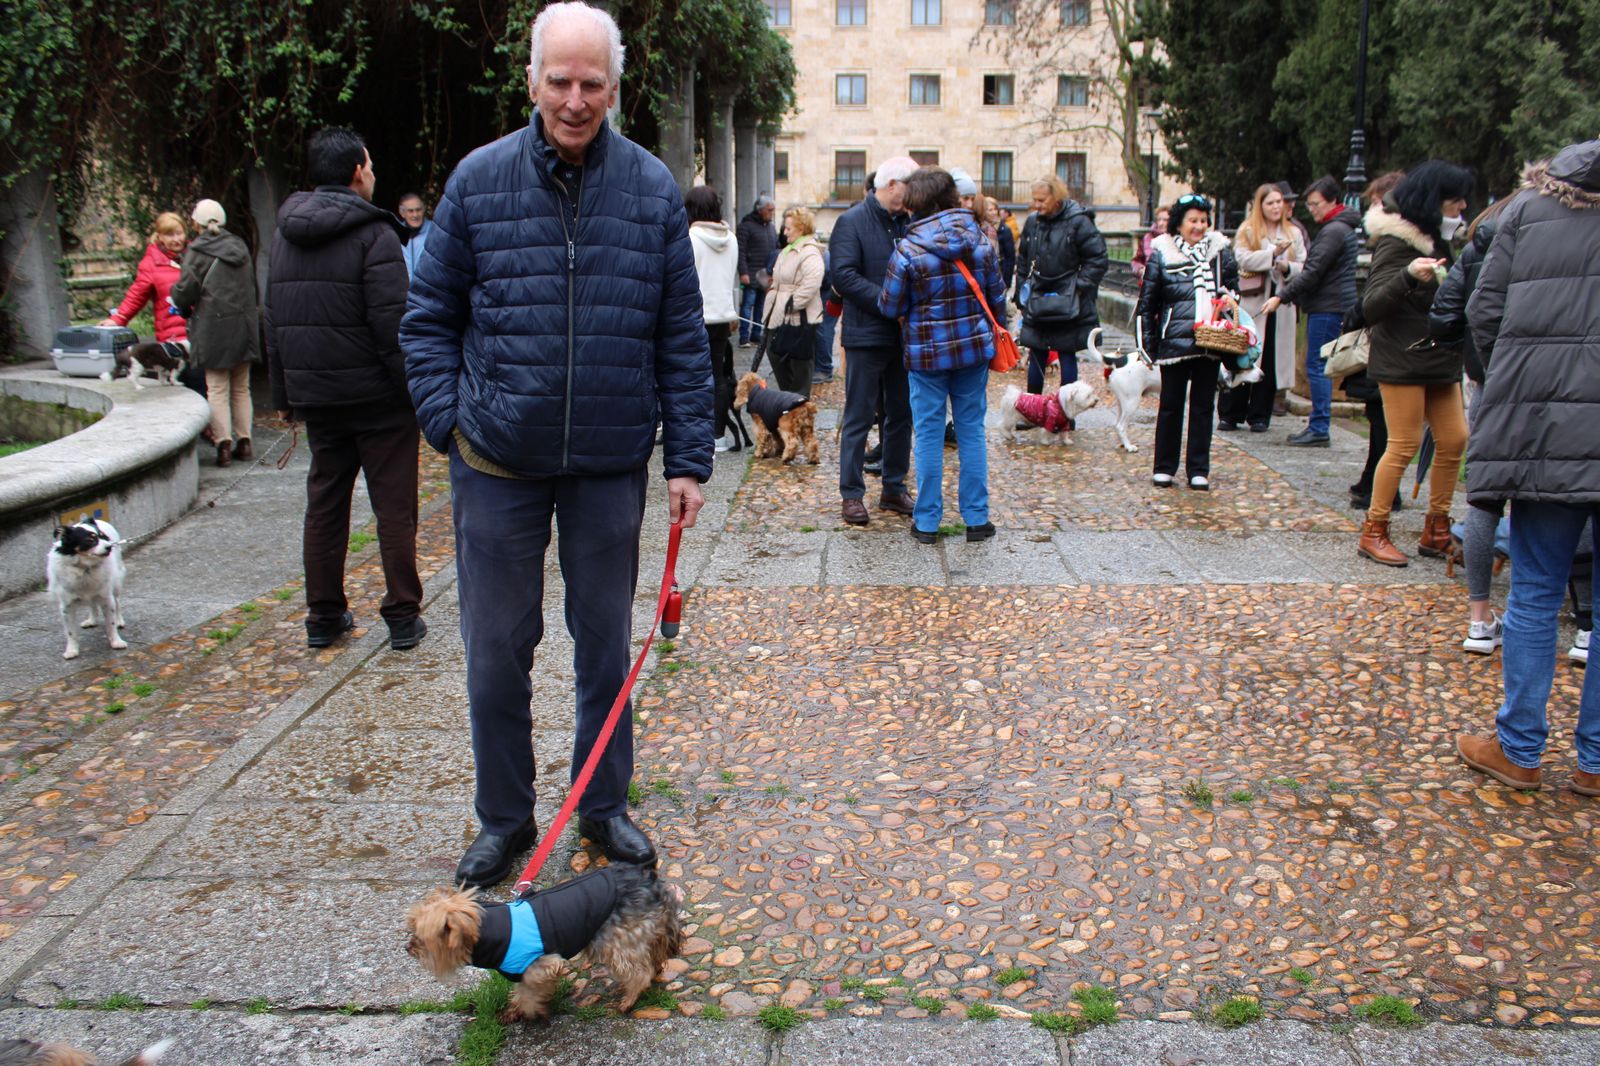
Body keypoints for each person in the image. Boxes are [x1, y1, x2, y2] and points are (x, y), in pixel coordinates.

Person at [401, 1, 713, 886]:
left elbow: (681, 335)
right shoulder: (479, 181)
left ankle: (603, 804)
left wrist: (688, 458)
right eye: (560, 80)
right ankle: (504, 818)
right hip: (496, 459)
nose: (576, 100)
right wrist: (448, 420)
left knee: (604, 649)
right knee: (496, 654)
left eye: (592, 83)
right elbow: (428, 319)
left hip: (608, 461)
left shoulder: (650, 187)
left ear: (615, 87)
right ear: (533, 79)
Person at [1456, 138, 1600, 795]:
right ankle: (1595, 761)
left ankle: (1519, 750)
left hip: (1545, 428)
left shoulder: (1527, 210)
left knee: (1538, 587)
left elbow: (1482, 312)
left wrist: (1520, 379)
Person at [266, 127, 425, 653]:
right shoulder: (374, 233)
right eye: (371, 166)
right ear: (358, 171)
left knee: (325, 505)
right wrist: (414, 391)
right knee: (394, 507)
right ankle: (402, 614)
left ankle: (323, 614)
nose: (373, 174)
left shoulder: (285, 233)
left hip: (318, 398)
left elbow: (274, 318)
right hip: (379, 399)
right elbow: (392, 325)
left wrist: (284, 395)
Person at [1352, 161, 1473, 567]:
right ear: (1434, 201)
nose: (1463, 207)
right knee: (1403, 444)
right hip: (1402, 359)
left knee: (1454, 438)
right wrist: (1407, 275)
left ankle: (1436, 529)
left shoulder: (1441, 238)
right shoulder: (1397, 240)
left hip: (1439, 358)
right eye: (1456, 200)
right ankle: (1374, 529)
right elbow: (1371, 306)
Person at [878, 166, 1006, 544]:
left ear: (916, 203)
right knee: (971, 431)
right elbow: (997, 299)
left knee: (929, 435)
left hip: (926, 355)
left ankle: (927, 521)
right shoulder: (979, 239)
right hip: (973, 352)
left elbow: (889, 305)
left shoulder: (909, 248)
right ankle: (977, 519)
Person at [1427, 193, 1516, 652]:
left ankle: (1479, 619)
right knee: (1564, 495)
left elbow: (1448, 316)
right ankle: (1582, 625)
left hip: (1488, 382)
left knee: (1484, 497)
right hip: (1561, 384)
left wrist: (1483, 358)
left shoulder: (1485, 237)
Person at [831, 154, 919, 526]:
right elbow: (843, 276)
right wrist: (889, 303)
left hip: (904, 336)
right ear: (892, 185)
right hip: (866, 335)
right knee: (859, 415)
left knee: (900, 415)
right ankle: (851, 494)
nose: (914, 194)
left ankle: (893, 488)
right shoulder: (851, 221)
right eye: (910, 186)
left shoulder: (912, 222)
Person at [1136, 193, 1240, 491]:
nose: (1199, 226)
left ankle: (1198, 468)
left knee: (1203, 407)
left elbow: (1233, 290)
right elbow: (1148, 303)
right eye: (1193, 220)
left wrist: (1229, 299)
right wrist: (1147, 346)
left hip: (1210, 340)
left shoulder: (1220, 254)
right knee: (1170, 405)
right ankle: (1164, 467)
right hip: (1174, 341)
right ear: (1179, 224)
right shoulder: (1162, 254)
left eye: (1204, 220)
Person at [1262, 175, 1359, 447]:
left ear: (1332, 201)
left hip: (1328, 305)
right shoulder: (1339, 228)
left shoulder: (1334, 231)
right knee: (1319, 364)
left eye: (1316, 204)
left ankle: (1319, 426)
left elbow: (1312, 272)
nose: (1312, 210)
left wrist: (1281, 297)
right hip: (1331, 303)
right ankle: (1319, 424)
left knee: (1317, 365)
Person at [170, 199, 259, 467]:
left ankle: (223, 445)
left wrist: (178, 298)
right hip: (243, 325)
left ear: (196, 223)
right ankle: (245, 442)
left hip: (213, 328)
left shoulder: (197, 250)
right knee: (241, 388)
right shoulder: (239, 246)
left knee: (217, 389)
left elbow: (184, 292)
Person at [1340, 170, 1405, 509]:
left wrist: (1357, 313)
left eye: (1378, 203)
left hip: (1391, 343)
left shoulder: (1398, 242)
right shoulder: (1387, 240)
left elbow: (1379, 295)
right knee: (1377, 415)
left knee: (1386, 421)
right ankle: (1372, 478)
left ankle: (1385, 491)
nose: (1372, 210)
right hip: (1383, 340)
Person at [1220, 183, 1304, 432]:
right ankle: (1230, 412)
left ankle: (1259, 414)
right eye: (1270, 203)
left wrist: (1287, 267)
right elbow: (1241, 258)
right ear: (1261, 206)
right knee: (1243, 351)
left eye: (1279, 202)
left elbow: (1303, 265)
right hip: (1253, 301)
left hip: (1280, 302)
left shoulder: (1293, 232)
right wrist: (1271, 255)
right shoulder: (1248, 230)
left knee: (1270, 358)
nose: (1276, 207)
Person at [1015, 174, 1108, 398]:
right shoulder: (1033, 222)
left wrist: (1078, 288)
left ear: (1056, 197)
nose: (1036, 205)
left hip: (1068, 300)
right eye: (1034, 200)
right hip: (1039, 296)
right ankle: (1034, 408)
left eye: (1041, 200)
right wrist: (1022, 292)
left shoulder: (1078, 221)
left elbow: (1097, 258)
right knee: (1036, 353)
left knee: (1066, 354)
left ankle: (1067, 411)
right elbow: (1023, 260)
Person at [686, 185, 741, 452]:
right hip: (722, 315)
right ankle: (718, 435)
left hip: (694, 316)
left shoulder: (690, 238)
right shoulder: (731, 239)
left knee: (690, 377)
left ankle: (693, 433)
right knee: (718, 377)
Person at [100, 211, 190, 360]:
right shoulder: (151, 263)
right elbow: (136, 296)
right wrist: (118, 318)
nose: (176, 239)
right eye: (169, 235)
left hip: (201, 334)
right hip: (173, 338)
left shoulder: (197, 256)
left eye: (179, 233)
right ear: (160, 236)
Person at [759, 205, 825, 396]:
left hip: (798, 318)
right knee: (776, 355)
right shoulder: (789, 250)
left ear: (801, 228)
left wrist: (792, 304)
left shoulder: (809, 252)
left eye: (788, 228)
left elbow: (812, 283)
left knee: (799, 366)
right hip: (779, 315)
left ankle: (798, 405)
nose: (785, 232)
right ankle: (789, 402)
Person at [737, 195, 777, 346]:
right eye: (769, 210)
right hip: (751, 273)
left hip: (765, 275)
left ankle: (756, 334)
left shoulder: (771, 228)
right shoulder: (746, 226)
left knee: (761, 306)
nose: (771, 213)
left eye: (773, 210)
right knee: (748, 305)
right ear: (760, 210)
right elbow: (741, 250)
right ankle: (744, 336)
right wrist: (743, 272)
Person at [398, 192, 434, 279]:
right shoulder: (396, 234)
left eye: (418, 210)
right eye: (410, 211)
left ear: (424, 210)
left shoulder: (434, 231)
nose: (415, 215)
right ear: (402, 213)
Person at [1131, 207, 1169, 284]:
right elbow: (1136, 261)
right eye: (1159, 220)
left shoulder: (1178, 239)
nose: (1161, 223)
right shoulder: (1148, 238)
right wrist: (1141, 270)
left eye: (1165, 220)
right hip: (1151, 284)